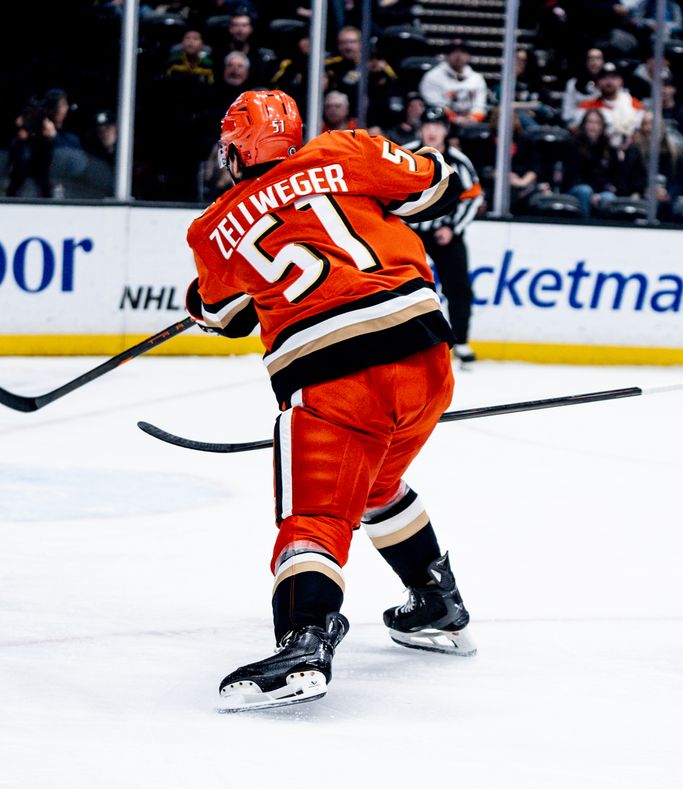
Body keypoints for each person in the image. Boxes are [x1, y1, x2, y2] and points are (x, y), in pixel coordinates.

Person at [185, 90, 474, 711]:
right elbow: (437, 183)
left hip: (335, 378)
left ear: (236, 151)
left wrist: (197, 299)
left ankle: (305, 638)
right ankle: (436, 600)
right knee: (375, 483)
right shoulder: (345, 150)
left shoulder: (212, 229)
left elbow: (221, 315)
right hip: (425, 355)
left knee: (315, 516)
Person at [403, 107, 484, 365]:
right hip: (410, 235)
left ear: (446, 131)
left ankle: (461, 341)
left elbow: (474, 198)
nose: (432, 131)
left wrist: (453, 228)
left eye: (437, 126)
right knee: (403, 287)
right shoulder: (404, 155)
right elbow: (386, 193)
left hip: (446, 234)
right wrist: (401, 227)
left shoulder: (459, 161)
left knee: (459, 288)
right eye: (428, 125)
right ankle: (406, 342)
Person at [419, 40, 489, 126]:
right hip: (440, 123)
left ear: (468, 56)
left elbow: (480, 105)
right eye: (453, 51)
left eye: (462, 51)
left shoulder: (477, 79)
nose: (458, 55)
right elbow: (435, 105)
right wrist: (455, 119)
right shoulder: (432, 77)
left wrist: (472, 118)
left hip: (471, 124)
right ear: (446, 55)